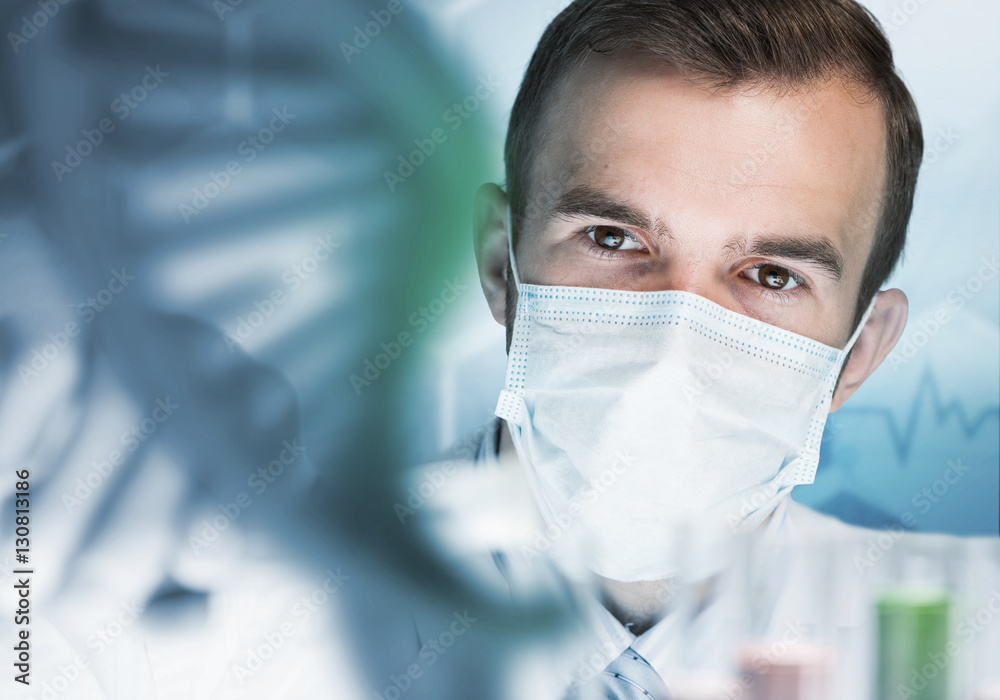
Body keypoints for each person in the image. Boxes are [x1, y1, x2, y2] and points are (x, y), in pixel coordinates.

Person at [455, 0, 954, 695]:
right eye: (612, 238)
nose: (672, 350)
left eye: (772, 276)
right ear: (499, 264)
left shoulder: (964, 651)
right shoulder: (269, 615)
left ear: (860, 353)